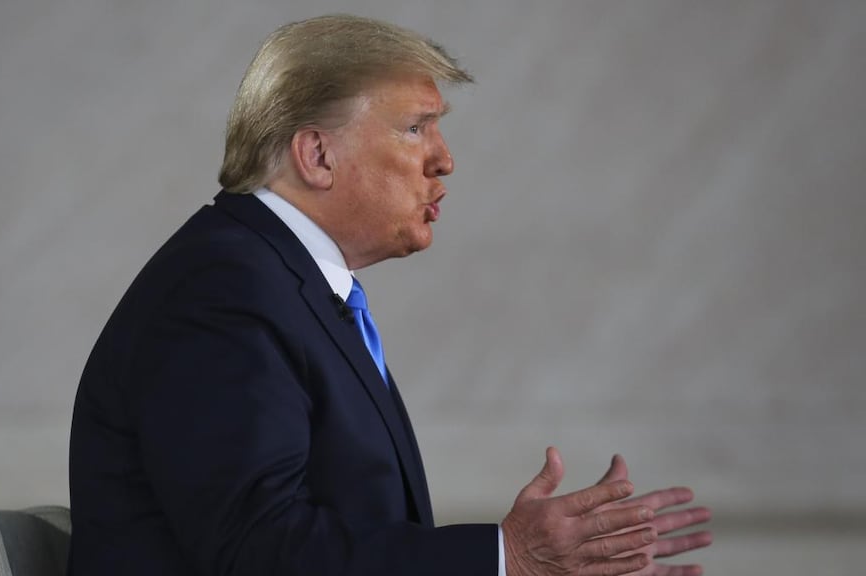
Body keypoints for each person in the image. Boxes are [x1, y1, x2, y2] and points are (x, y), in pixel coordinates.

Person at [67, 14, 712, 576]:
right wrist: (503, 558)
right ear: (316, 154)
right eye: (415, 128)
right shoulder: (223, 291)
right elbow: (257, 552)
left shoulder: (283, 285)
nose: (445, 160)